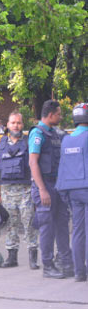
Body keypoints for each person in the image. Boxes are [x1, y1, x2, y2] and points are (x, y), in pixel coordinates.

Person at [29, 99, 73, 278]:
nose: (61, 117)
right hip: (44, 185)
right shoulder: (37, 134)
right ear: (50, 115)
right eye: (59, 114)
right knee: (46, 226)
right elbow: (33, 162)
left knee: (62, 224)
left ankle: (66, 261)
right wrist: (42, 189)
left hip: (58, 185)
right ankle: (47, 265)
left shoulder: (57, 134)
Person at [0, 111, 39, 269]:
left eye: (18, 123)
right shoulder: (2, 143)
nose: (16, 125)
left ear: (22, 125)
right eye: (13, 123)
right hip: (7, 190)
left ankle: (33, 258)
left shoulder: (28, 142)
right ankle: (12, 257)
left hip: (25, 190)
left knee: (29, 222)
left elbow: (34, 165)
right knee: (11, 224)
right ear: (8, 125)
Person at [55, 103, 88, 282]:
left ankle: (79, 272)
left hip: (71, 191)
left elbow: (63, 167)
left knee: (77, 231)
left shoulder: (66, 140)